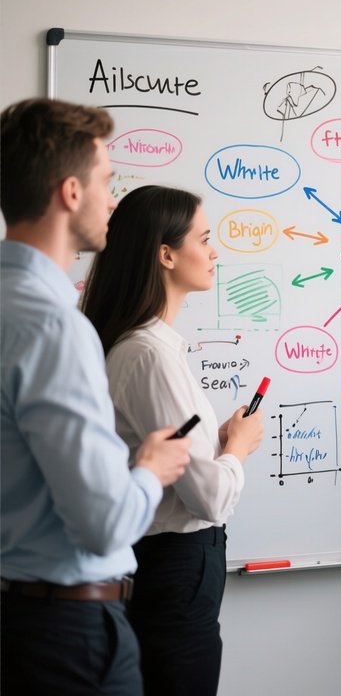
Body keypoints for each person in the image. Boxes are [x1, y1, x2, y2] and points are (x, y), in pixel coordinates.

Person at [0, 98, 192, 695]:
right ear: (71, 192)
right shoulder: (53, 326)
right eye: (108, 182)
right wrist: (150, 470)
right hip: (66, 637)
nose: (115, 200)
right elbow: (104, 524)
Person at [81, 184, 265, 696]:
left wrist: (217, 446)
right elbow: (208, 496)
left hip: (171, 571)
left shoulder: (146, 348)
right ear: (165, 254)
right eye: (204, 240)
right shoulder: (149, 354)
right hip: (175, 570)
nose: (214, 252)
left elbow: (178, 458)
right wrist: (237, 448)